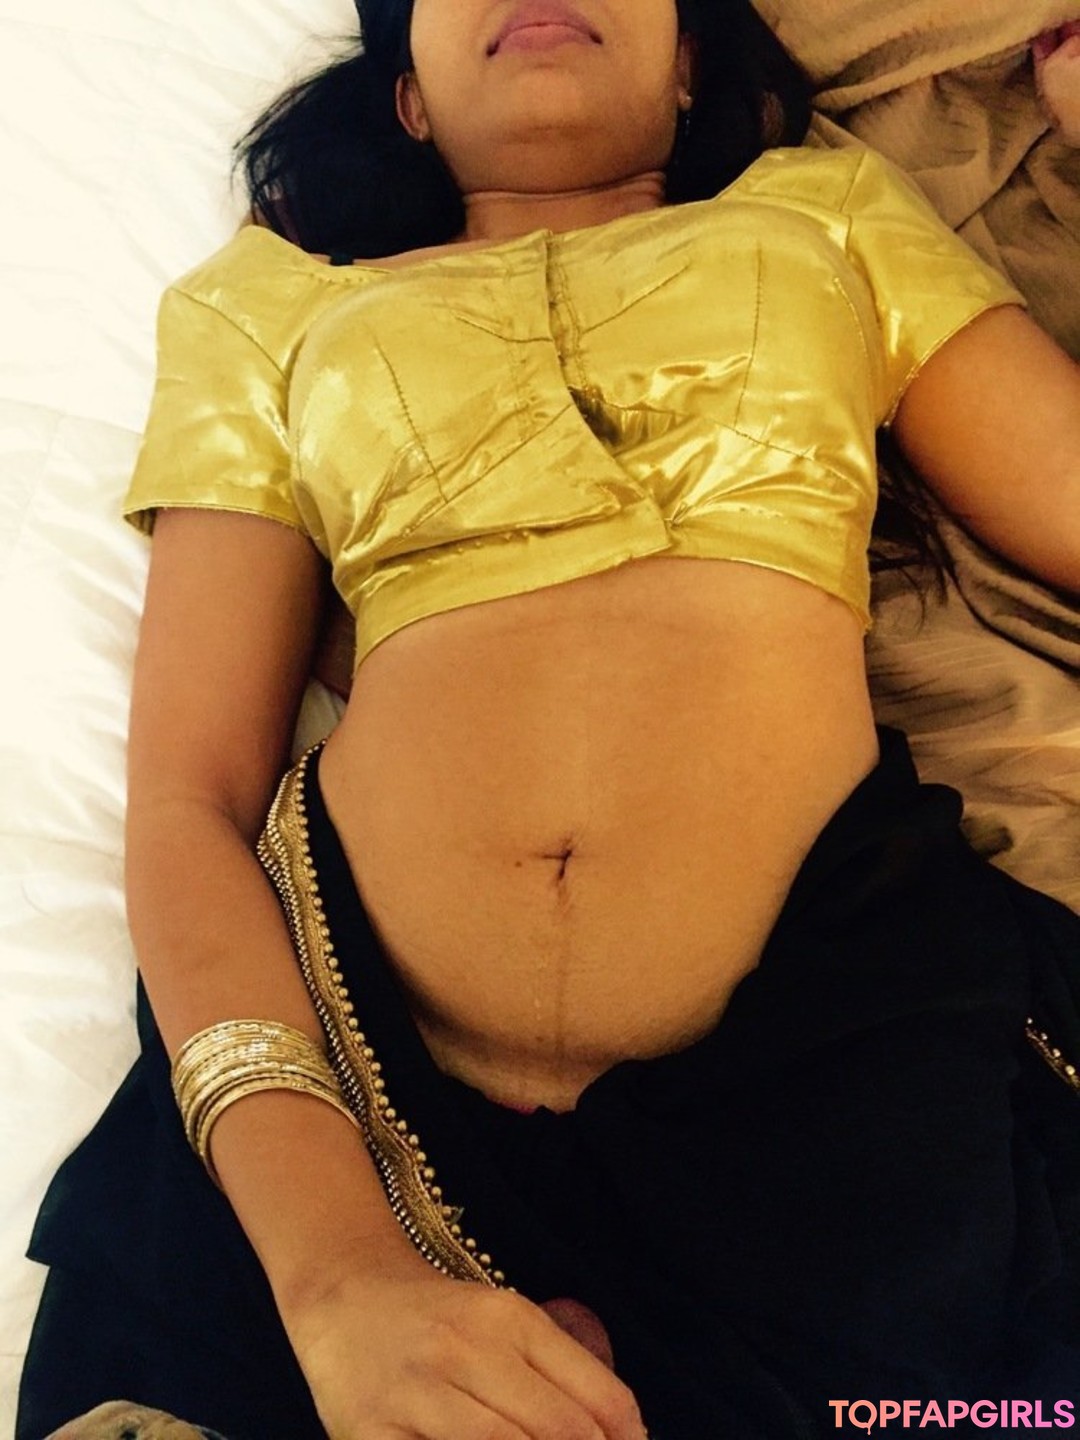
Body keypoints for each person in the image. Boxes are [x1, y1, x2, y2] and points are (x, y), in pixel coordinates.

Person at [15, 1, 1080, 1437]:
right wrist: (336, 1274)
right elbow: (188, 798)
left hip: (836, 1051)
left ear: (688, 63)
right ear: (406, 97)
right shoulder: (266, 300)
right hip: (346, 1065)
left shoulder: (822, 212)